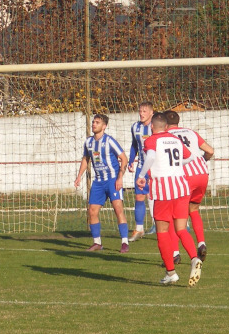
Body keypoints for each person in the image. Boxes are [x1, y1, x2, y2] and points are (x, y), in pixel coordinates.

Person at [136, 112, 202, 286]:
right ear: (166, 127)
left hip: (164, 190)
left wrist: (142, 175)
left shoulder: (151, 140)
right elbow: (190, 157)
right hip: (181, 186)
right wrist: (174, 166)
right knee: (181, 228)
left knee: (162, 231)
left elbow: (150, 157)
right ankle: (194, 258)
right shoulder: (175, 140)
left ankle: (171, 272)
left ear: (152, 127)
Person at [74, 114, 130, 253]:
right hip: (98, 182)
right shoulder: (88, 142)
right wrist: (79, 176)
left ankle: (124, 242)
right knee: (92, 211)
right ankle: (97, 242)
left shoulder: (110, 141)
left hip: (112, 180)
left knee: (118, 209)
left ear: (104, 126)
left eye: (97, 122)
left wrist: (120, 177)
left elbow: (124, 158)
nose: (94, 124)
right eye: (93, 122)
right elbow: (86, 159)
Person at [164, 110, 214, 262]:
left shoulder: (166, 136)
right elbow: (210, 151)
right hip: (202, 173)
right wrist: (203, 160)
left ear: (165, 124)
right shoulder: (191, 132)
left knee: (174, 216)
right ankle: (201, 243)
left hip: (184, 177)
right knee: (193, 210)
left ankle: (175, 254)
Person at [128, 101, 154, 241]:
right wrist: (131, 160)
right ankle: (139, 229)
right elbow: (134, 145)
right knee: (139, 197)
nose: (141, 113)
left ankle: (177, 225)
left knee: (161, 198)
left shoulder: (155, 126)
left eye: (144, 111)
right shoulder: (135, 127)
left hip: (156, 168)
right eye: (140, 111)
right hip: (141, 167)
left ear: (151, 112)